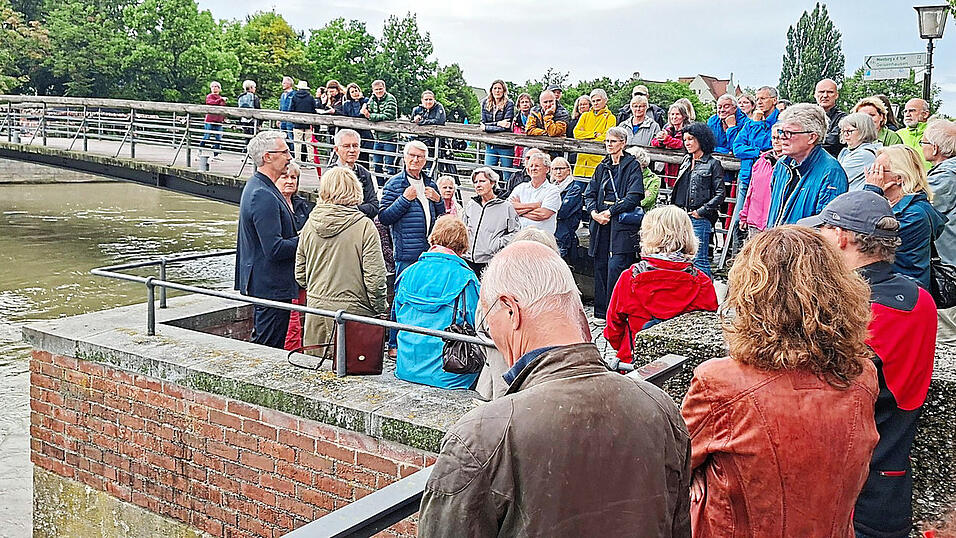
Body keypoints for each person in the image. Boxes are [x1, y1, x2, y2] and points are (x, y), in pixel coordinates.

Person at [418, 240, 691, 537]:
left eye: (487, 324)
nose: (491, 337)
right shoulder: (662, 410)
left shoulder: (484, 436)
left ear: (511, 310)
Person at [682, 225, 879, 537]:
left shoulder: (720, 382)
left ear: (750, 296)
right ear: (840, 292)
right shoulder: (862, 376)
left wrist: (697, 474)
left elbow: (676, 463)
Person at [799, 190, 937, 538]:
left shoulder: (851, 310)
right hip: (891, 480)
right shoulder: (920, 300)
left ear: (842, 237)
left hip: (842, 486)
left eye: (824, 230)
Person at [604, 205, 717, 362]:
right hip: (683, 364)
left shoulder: (630, 277)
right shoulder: (702, 282)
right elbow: (705, 331)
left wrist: (627, 347)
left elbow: (612, 329)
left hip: (634, 360)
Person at [295, 167, 388, 350]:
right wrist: (380, 309)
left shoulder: (310, 224)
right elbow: (375, 279)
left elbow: (300, 274)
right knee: (354, 371)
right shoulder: (364, 227)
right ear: (355, 189)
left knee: (314, 370)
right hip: (353, 313)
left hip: (316, 311)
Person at [393, 216, 481, 389]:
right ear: (463, 246)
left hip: (406, 366)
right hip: (451, 373)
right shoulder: (467, 280)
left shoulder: (407, 273)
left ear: (432, 237)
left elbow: (397, 315)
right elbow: (478, 323)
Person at [378, 141, 445, 353]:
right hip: (406, 251)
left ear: (426, 161)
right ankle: (394, 344)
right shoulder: (394, 184)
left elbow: (442, 217)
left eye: (420, 157)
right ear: (405, 157)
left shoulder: (431, 184)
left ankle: (418, 340)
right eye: (412, 156)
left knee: (425, 296)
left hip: (429, 251)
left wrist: (439, 200)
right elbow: (384, 217)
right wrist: (404, 200)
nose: (415, 160)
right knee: (402, 296)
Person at [235, 131, 298, 348]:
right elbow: (274, 248)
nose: (289, 157)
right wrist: (307, 240)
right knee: (268, 346)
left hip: (269, 283)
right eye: (285, 152)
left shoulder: (261, 187)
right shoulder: (262, 193)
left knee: (269, 341)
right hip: (270, 285)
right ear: (267, 157)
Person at [583, 126, 644, 320]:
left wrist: (610, 211)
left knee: (617, 266)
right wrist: (593, 213)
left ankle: (616, 313)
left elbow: (634, 196)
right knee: (600, 265)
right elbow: (590, 193)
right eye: (607, 141)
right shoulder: (602, 166)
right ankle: (601, 312)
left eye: (613, 141)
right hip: (601, 222)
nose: (609, 145)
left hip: (620, 222)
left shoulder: (632, 165)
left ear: (623, 143)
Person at [863, 145, 945, 289]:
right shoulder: (895, 206)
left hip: (904, 295)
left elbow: (865, 239)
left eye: (879, 170)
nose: (872, 175)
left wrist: (872, 192)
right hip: (894, 288)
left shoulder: (914, 215)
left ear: (899, 178)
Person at [766, 104, 848, 227]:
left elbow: (826, 227)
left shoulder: (831, 172)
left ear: (812, 137)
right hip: (778, 243)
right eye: (781, 131)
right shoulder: (782, 165)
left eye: (789, 133)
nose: (781, 137)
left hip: (803, 245)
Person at [672, 122, 724, 277]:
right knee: (681, 259)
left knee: (699, 259)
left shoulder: (713, 164)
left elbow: (720, 194)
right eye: (685, 139)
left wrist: (701, 212)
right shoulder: (686, 161)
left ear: (701, 139)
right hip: (681, 216)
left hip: (699, 218)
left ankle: (706, 298)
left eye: (691, 139)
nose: (687, 143)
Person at [923, 118, 956, 344]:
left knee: (946, 335)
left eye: (923, 142)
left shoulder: (945, 177)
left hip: (947, 264)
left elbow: (923, 207)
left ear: (935, 148)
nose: (921, 146)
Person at [731, 86, 780, 231]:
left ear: (774, 100)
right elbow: (737, 148)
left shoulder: (779, 122)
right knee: (738, 222)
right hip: (747, 176)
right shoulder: (750, 122)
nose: (759, 102)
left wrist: (757, 124)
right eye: (757, 98)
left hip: (767, 179)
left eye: (763, 98)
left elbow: (771, 144)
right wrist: (758, 152)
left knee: (763, 223)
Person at [276, 162, 314, 351]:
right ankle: (292, 352)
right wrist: (302, 240)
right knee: (291, 320)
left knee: (301, 314)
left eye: (294, 178)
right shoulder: (272, 204)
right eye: (285, 177)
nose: (290, 181)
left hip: (303, 268)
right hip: (284, 271)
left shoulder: (301, 205)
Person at [461, 167, 519, 275]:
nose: (478, 185)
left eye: (482, 181)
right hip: (467, 260)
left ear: (492, 183)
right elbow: (462, 227)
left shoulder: (506, 207)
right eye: (475, 182)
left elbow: (515, 233)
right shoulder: (471, 205)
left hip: (490, 262)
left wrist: (497, 244)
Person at [739, 125, 782, 235]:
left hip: (775, 224)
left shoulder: (790, 163)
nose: (776, 141)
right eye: (774, 138)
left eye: (779, 138)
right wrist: (744, 216)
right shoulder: (761, 161)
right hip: (755, 221)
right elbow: (751, 190)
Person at [510, 152, 562, 234]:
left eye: (537, 166)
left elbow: (543, 214)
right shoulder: (520, 188)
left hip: (541, 238)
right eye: (531, 166)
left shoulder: (553, 191)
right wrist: (535, 205)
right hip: (517, 236)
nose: (533, 168)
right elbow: (508, 210)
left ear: (547, 169)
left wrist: (519, 212)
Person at [331, 129, 379, 219]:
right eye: (346, 146)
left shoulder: (365, 173)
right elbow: (332, 207)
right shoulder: (331, 175)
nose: (352, 150)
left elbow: (374, 206)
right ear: (336, 149)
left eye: (355, 146)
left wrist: (354, 208)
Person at [573, 89, 617, 178]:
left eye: (598, 100)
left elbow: (606, 137)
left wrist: (585, 136)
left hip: (597, 164)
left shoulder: (610, 117)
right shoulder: (585, 115)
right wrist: (594, 134)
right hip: (580, 164)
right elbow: (576, 133)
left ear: (605, 100)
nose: (595, 103)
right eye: (593, 101)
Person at [362, 79, 399, 180]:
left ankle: (389, 187)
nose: (378, 91)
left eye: (380, 89)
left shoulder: (391, 99)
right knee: (377, 164)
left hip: (390, 137)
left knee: (389, 165)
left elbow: (388, 115)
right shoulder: (372, 99)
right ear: (373, 90)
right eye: (376, 89)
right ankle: (379, 186)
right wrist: (366, 111)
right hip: (377, 137)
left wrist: (370, 116)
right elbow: (366, 110)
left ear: (384, 89)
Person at [838, 112, 883, 190]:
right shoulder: (849, 151)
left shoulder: (864, 155)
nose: (845, 135)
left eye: (849, 131)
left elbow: (835, 178)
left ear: (863, 131)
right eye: (843, 131)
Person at [550, 156, 583, 259]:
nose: (558, 172)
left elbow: (562, 212)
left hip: (564, 233)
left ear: (568, 170)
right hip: (550, 231)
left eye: (561, 168)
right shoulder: (550, 187)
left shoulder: (575, 189)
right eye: (555, 169)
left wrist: (545, 209)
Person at [651, 102, 691, 185]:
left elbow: (682, 144)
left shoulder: (689, 130)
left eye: (677, 114)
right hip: (668, 173)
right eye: (672, 114)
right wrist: (660, 140)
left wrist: (666, 139)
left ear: (684, 116)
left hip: (684, 172)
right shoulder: (668, 129)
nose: (674, 117)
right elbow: (653, 142)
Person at [480, 79, 516, 173]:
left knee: (507, 174)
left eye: (499, 88)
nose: (497, 91)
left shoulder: (509, 104)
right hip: (490, 144)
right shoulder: (485, 103)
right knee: (488, 173)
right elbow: (483, 123)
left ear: (504, 90)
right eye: (495, 88)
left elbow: (506, 126)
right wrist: (498, 123)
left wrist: (487, 127)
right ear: (491, 90)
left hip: (505, 145)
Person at [341, 83, 373, 170]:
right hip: (352, 134)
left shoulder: (366, 101)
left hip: (364, 135)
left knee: (363, 161)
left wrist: (359, 102)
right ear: (349, 94)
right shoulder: (346, 104)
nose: (355, 93)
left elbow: (361, 114)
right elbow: (349, 116)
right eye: (352, 92)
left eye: (356, 91)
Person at [815, 78, 847, 157]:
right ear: (815, 95)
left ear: (836, 95)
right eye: (821, 92)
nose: (825, 95)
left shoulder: (843, 118)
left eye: (830, 92)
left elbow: (833, 141)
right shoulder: (807, 116)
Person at [410, 90, 447, 159]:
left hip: (435, 141)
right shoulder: (416, 109)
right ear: (422, 100)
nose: (428, 102)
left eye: (430, 99)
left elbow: (439, 121)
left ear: (434, 100)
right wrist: (415, 120)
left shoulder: (439, 107)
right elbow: (411, 122)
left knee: (432, 161)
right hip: (419, 140)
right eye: (426, 99)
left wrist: (422, 121)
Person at [900, 98, 934, 170]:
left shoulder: (934, 134)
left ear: (925, 114)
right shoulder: (897, 135)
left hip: (930, 179)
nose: (907, 114)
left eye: (912, 110)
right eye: (905, 111)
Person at [626, 145, 662, 212]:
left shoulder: (654, 179)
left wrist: (626, 202)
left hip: (645, 216)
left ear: (642, 163)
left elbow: (647, 201)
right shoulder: (625, 175)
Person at [289, 80, 317, 163]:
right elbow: (313, 110)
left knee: (297, 143)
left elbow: (291, 109)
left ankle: (298, 160)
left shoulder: (294, 97)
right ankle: (311, 161)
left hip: (297, 123)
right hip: (308, 123)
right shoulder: (310, 98)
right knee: (309, 143)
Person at [200, 81, 226, 159]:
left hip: (218, 121)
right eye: (213, 86)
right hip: (210, 120)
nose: (214, 88)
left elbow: (223, 109)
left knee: (218, 137)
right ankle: (199, 151)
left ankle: (216, 155)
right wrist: (220, 100)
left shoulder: (221, 98)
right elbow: (211, 103)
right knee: (206, 136)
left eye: (216, 86)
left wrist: (223, 118)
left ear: (219, 89)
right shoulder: (209, 96)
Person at [278, 76, 295, 142]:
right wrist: (279, 119)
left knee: (291, 138)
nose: (282, 84)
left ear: (289, 84)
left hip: (290, 120)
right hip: (282, 120)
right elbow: (281, 107)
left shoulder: (294, 94)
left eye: (284, 83)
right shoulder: (283, 95)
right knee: (282, 138)